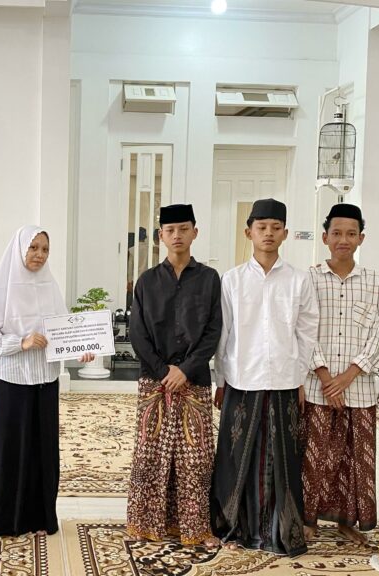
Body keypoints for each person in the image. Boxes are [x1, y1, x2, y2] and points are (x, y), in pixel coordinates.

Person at [210, 198, 318, 556]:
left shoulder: (299, 280)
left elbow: (307, 332)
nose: (268, 233)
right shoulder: (232, 280)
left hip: (284, 381)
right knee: (238, 456)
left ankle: (279, 533)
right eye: (261, 227)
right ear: (249, 233)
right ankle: (234, 527)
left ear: (285, 233)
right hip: (242, 379)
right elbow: (224, 333)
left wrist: (298, 375)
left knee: (281, 458)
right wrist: (221, 380)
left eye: (275, 227)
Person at [0, 225, 93, 537]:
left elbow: (65, 332)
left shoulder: (50, 286)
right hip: (13, 381)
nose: (39, 255)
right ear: (20, 249)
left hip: (45, 380)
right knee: (12, 450)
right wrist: (21, 342)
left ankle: (41, 518)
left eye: (44, 249)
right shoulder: (2, 288)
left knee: (43, 451)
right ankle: (8, 520)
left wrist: (81, 349)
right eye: (33, 248)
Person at [126, 204, 222, 547]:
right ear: (160, 236)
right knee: (151, 454)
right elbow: (137, 333)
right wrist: (163, 370)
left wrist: (186, 369)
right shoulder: (147, 281)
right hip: (155, 381)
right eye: (170, 230)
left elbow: (213, 331)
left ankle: (195, 527)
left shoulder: (209, 279)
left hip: (194, 380)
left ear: (195, 232)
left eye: (184, 228)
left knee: (195, 458)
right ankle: (146, 523)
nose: (177, 235)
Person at [301, 204, 379, 545]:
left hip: (359, 387)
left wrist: (348, 377)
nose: (343, 240)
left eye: (351, 234)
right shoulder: (308, 278)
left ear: (361, 238)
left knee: (355, 458)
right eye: (336, 233)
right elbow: (303, 329)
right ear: (325, 237)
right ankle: (307, 519)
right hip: (316, 385)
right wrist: (326, 378)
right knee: (314, 455)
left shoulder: (375, 282)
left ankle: (348, 521)